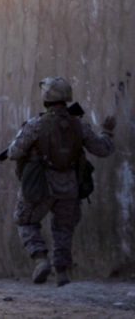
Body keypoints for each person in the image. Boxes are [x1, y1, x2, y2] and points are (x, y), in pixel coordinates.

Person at [8, 76, 115, 287]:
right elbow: (103, 149)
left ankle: (40, 260)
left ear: (46, 98)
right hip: (70, 186)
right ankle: (62, 271)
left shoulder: (36, 125)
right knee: (64, 229)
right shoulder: (79, 126)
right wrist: (107, 131)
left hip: (40, 187)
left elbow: (13, 152)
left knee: (25, 221)